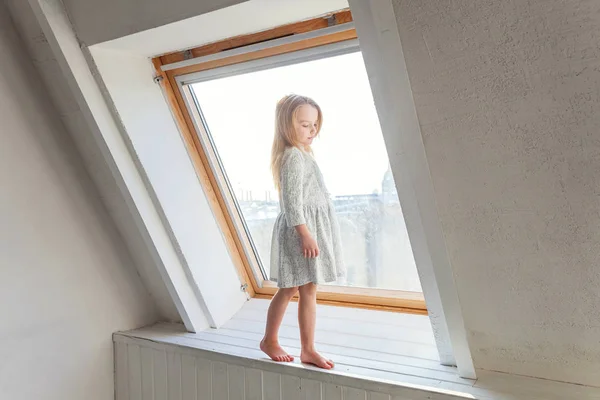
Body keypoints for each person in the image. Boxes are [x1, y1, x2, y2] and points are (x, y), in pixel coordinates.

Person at [260, 94, 345, 369]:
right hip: (300, 231)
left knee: (308, 288)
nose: (313, 131)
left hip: (306, 229)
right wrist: (306, 234)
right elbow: (292, 203)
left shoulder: (303, 154)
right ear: (287, 125)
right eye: (306, 125)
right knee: (290, 288)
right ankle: (270, 340)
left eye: (315, 125)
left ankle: (307, 348)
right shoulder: (293, 157)